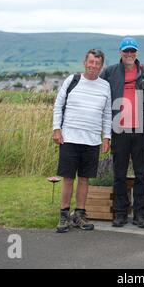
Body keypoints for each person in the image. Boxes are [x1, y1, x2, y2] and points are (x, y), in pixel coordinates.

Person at [52, 49, 111, 233]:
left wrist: (106, 136)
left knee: (84, 180)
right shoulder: (72, 80)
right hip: (69, 138)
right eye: (91, 62)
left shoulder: (105, 86)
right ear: (85, 62)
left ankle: (79, 215)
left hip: (92, 140)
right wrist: (56, 128)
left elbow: (107, 114)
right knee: (68, 179)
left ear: (101, 66)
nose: (93, 66)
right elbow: (58, 105)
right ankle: (63, 216)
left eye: (97, 63)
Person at [100, 37, 144, 228]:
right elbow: (100, 95)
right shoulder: (110, 72)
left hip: (140, 131)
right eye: (126, 51)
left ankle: (140, 214)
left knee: (141, 175)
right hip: (119, 129)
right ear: (120, 52)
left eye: (132, 51)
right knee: (119, 174)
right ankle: (120, 213)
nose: (129, 54)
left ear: (136, 53)